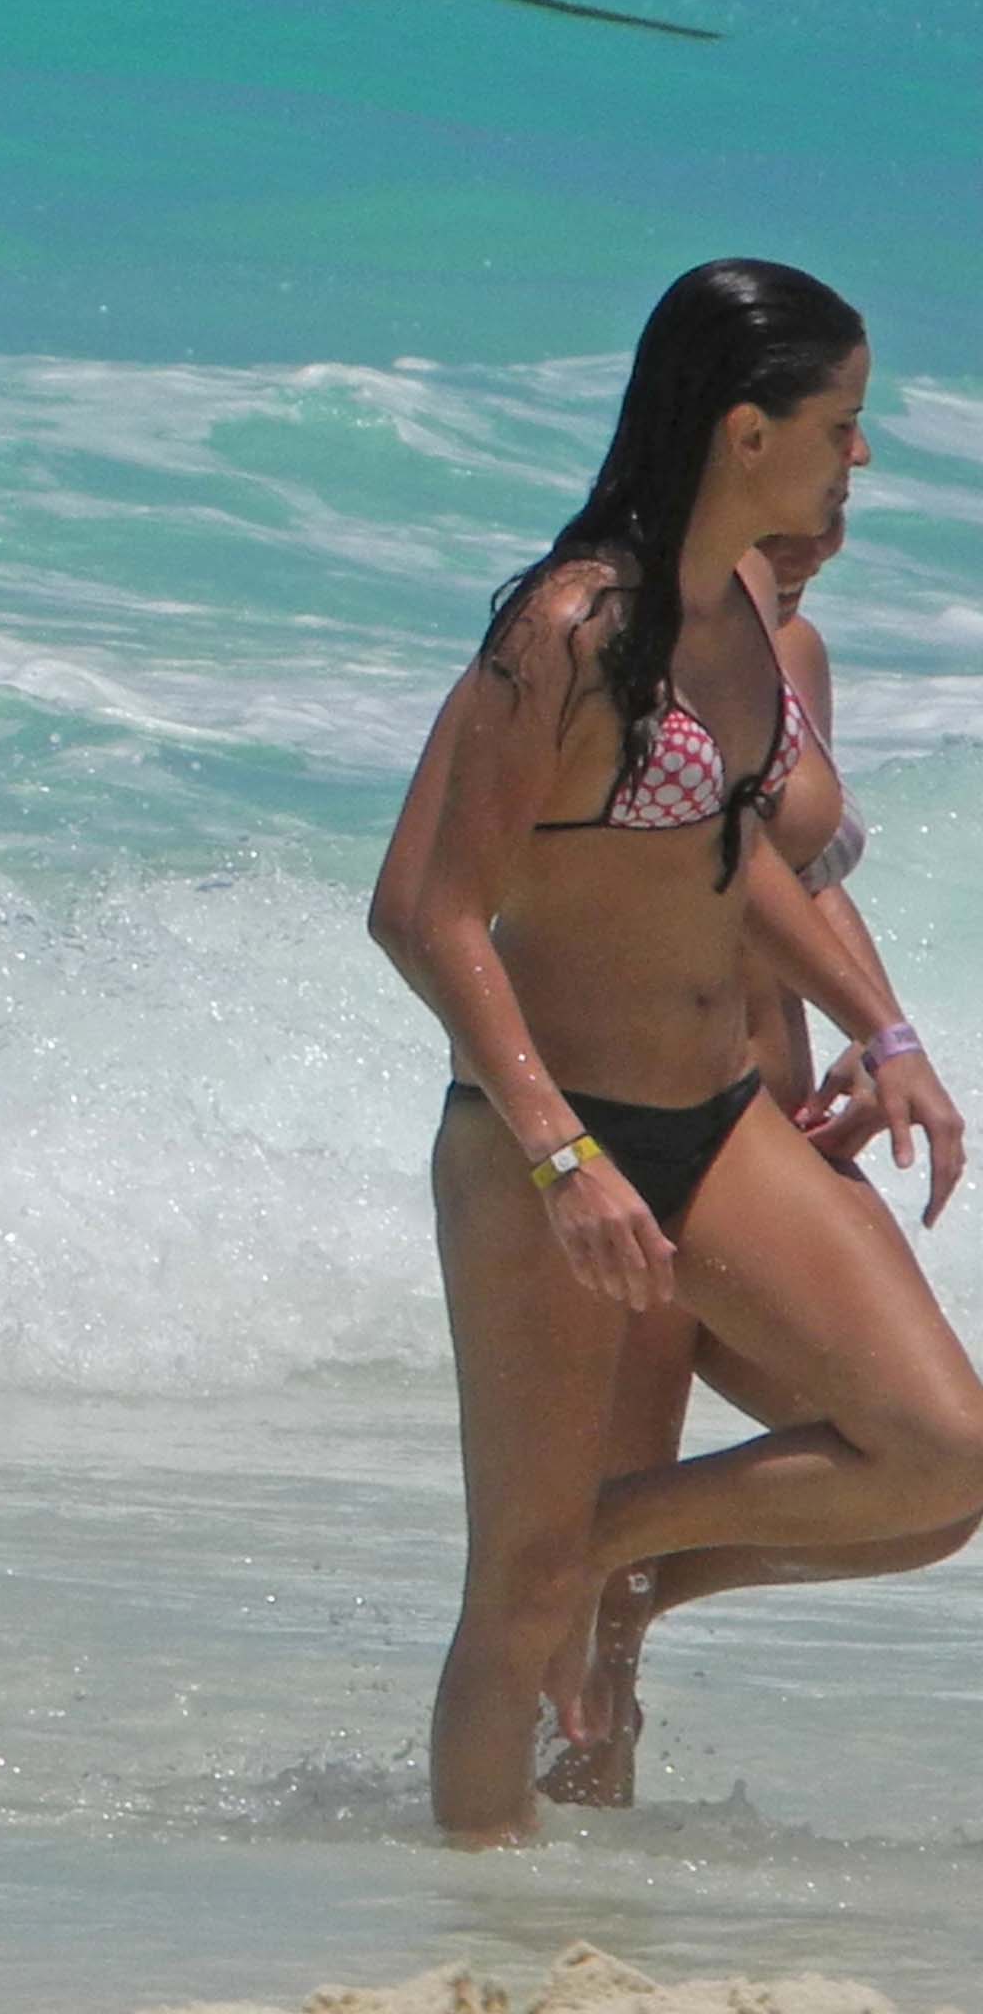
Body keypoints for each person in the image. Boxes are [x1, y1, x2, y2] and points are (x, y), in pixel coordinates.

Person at [369, 257, 983, 1843]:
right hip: (546, 1151)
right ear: (744, 431)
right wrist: (561, 1154)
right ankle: (488, 1926)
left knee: (937, 1456)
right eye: (841, 425)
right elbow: (423, 913)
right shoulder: (572, 626)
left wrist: (883, 1026)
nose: (860, 459)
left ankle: (611, 1544)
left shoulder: (736, 627)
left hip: (715, 1126)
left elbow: (732, 861)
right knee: (511, 1605)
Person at [541, 507, 977, 1804]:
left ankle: (609, 1594)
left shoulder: (797, 650)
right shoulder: (640, 638)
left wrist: (876, 1030)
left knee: (930, 1495)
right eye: (825, 461)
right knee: (591, 1636)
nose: (841, 514)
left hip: (776, 1138)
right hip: (662, 1135)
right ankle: (506, 1892)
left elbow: (799, 877)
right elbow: (689, 873)